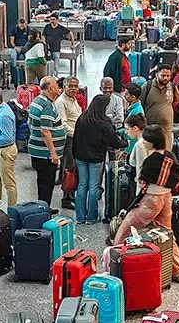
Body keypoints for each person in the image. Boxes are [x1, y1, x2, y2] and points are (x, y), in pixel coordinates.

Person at [112, 124, 179, 281]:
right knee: (166, 233)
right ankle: (178, 271)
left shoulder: (151, 160)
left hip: (151, 200)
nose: (143, 141)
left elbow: (142, 181)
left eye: (146, 140)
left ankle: (114, 261)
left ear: (152, 142)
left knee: (126, 227)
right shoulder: (170, 156)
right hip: (166, 198)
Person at [73, 95, 127, 224]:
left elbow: (75, 137)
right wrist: (125, 143)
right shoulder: (103, 122)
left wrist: (74, 155)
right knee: (94, 187)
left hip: (80, 156)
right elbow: (114, 142)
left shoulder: (82, 118)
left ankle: (80, 217)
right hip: (96, 158)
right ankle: (91, 217)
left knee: (82, 185)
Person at [28, 76, 66, 206]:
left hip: (37, 150)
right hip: (45, 155)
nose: (58, 87)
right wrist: (53, 153)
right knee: (47, 185)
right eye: (56, 85)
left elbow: (30, 123)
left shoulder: (37, 101)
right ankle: (44, 209)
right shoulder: (47, 106)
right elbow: (45, 131)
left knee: (42, 183)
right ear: (50, 88)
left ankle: (43, 207)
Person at [54, 76, 82, 210]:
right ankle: (67, 198)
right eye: (70, 86)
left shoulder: (73, 100)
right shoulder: (61, 102)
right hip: (68, 139)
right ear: (64, 87)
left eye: (75, 86)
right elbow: (63, 125)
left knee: (71, 167)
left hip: (74, 138)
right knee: (69, 169)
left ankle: (70, 194)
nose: (73, 89)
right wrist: (77, 134)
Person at [139, 64, 179, 151]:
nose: (166, 78)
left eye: (168, 76)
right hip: (150, 131)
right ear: (157, 74)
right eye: (163, 75)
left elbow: (176, 100)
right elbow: (140, 102)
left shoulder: (172, 87)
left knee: (166, 155)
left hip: (167, 131)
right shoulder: (148, 86)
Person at [125, 113, 148, 189]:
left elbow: (140, 170)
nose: (126, 132)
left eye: (127, 129)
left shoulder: (140, 145)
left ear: (135, 128)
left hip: (139, 186)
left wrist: (139, 191)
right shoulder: (145, 141)